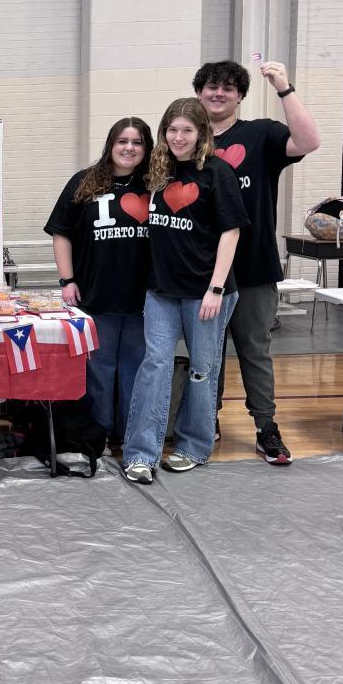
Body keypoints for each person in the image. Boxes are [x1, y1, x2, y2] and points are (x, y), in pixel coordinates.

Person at [194, 59, 320, 465]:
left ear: (240, 96)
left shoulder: (261, 133)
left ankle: (266, 427)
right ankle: (205, 419)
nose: (219, 93)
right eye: (211, 86)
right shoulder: (186, 140)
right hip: (200, 271)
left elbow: (309, 141)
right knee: (206, 353)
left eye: (228, 88)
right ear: (199, 93)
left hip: (253, 267)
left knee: (255, 351)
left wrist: (284, 87)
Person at [122, 98, 249, 484]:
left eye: (187, 130)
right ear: (164, 132)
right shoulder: (158, 171)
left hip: (206, 293)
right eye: (172, 130)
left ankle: (194, 446)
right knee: (155, 365)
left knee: (201, 370)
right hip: (162, 290)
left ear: (201, 133)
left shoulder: (217, 172)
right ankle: (141, 452)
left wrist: (215, 289)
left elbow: (231, 232)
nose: (178, 137)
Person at [45, 117, 153, 441]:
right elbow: (61, 233)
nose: (129, 148)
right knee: (98, 373)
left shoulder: (155, 184)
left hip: (145, 300)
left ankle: (132, 437)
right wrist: (67, 281)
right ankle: (99, 437)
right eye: (122, 141)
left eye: (137, 142)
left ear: (146, 148)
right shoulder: (84, 181)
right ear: (111, 144)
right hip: (96, 296)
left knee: (137, 371)